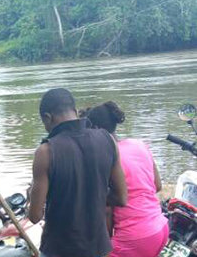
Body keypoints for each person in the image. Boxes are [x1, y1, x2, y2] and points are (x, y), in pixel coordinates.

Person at [28, 88, 128, 257]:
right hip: (97, 247)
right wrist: (94, 196)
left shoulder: (45, 152)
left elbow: (35, 216)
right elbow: (121, 198)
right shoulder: (107, 139)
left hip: (59, 249)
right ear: (75, 111)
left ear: (47, 118)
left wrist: (31, 196)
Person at [83, 101, 168, 257]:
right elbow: (157, 185)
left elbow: (107, 211)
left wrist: (105, 248)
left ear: (94, 130)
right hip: (160, 228)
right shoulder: (139, 144)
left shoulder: (105, 158)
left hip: (134, 238)